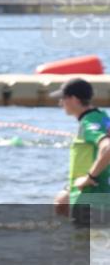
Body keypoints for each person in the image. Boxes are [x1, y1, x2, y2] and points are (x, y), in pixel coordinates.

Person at [50, 78, 110, 220]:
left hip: (94, 194)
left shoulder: (89, 123)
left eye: (63, 99)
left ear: (74, 99)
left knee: (87, 240)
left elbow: (107, 148)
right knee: (61, 201)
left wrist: (89, 178)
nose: (60, 103)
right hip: (91, 190)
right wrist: (70, 190)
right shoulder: (101, 117)